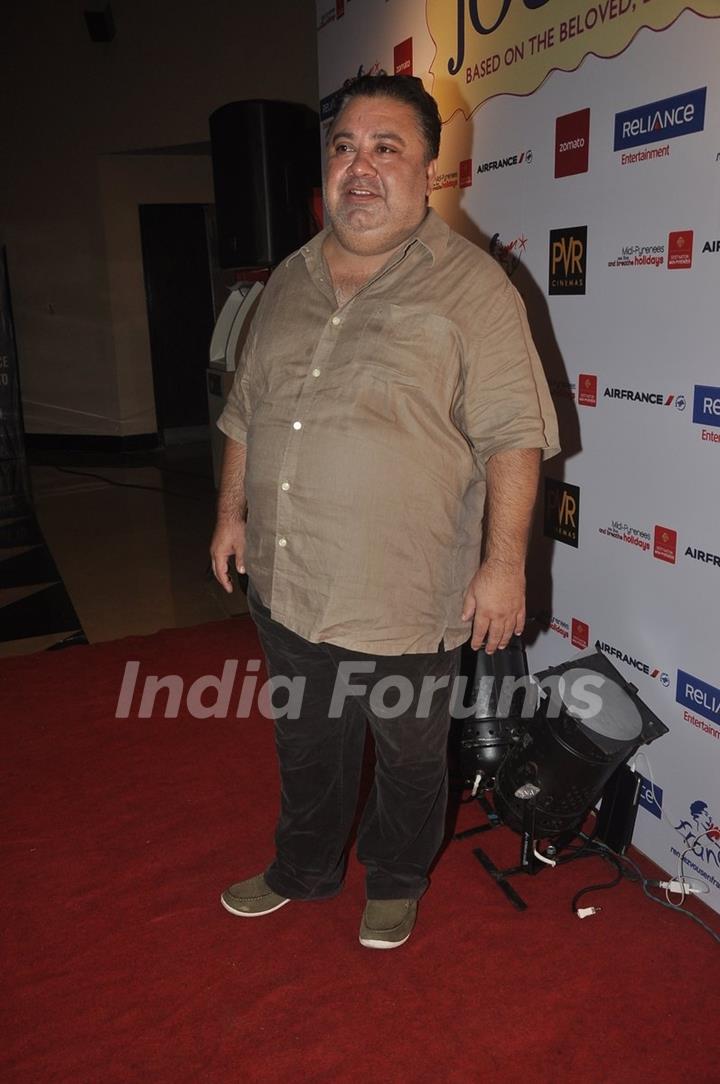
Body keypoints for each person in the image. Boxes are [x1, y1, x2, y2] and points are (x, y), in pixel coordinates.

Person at [210, 74, 559, 949]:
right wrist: (229, 512)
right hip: (287, 579)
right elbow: (246, 409)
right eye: (343, 148)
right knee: (308, 742)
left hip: (402, 591)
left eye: (385, 147)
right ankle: (303, 868)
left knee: (407, 757)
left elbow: (516, 434)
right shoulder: (287, 277)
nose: (359, 167)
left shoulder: (476, 288)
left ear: (430, 169)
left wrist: (505, 564)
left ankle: (396, 879)